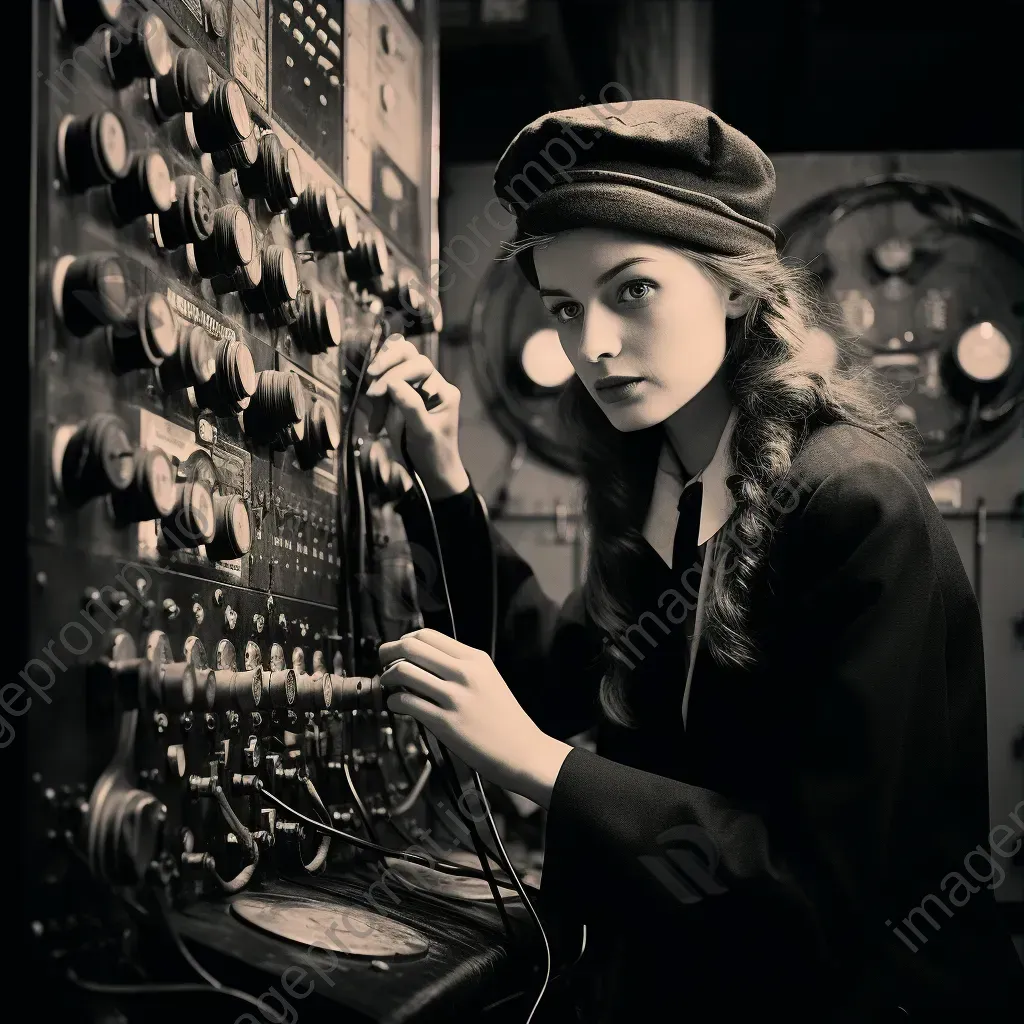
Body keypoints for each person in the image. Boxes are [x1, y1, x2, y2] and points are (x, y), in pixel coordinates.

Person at [365, 100, 1024, 1019]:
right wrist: (443, 484)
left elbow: (822, 896)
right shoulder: (662, 480)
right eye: (564, 306)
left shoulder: (854, 503)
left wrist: (545, 767)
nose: (589, 344)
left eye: (631, 289)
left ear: (738, 287)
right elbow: (558, 679)